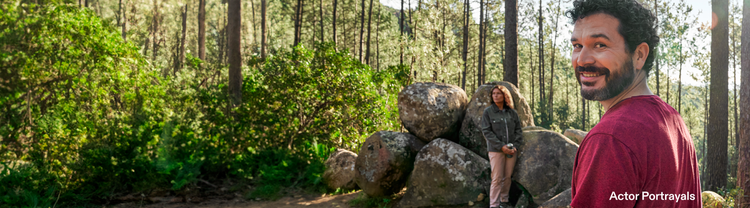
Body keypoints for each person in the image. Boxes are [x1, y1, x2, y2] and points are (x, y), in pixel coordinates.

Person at [566, 0, 702, 207]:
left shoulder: (611, 137)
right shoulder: (673, 121)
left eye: (600, 45)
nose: (582, 60)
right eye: (577, 46)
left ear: (639, 55)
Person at [481, 85, 523, 208]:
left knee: (507, 177)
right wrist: (501, 146)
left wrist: (515, 146)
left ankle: (503, 201)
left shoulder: (512, 113)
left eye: (498, 93)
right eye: (493, 94)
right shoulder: (488, 112)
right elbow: (486, 131)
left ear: (505, 96)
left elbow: (518, 131)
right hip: (496, 151)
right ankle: (494, 204)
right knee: (497, 178)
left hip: (511, 151)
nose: (495, 96)